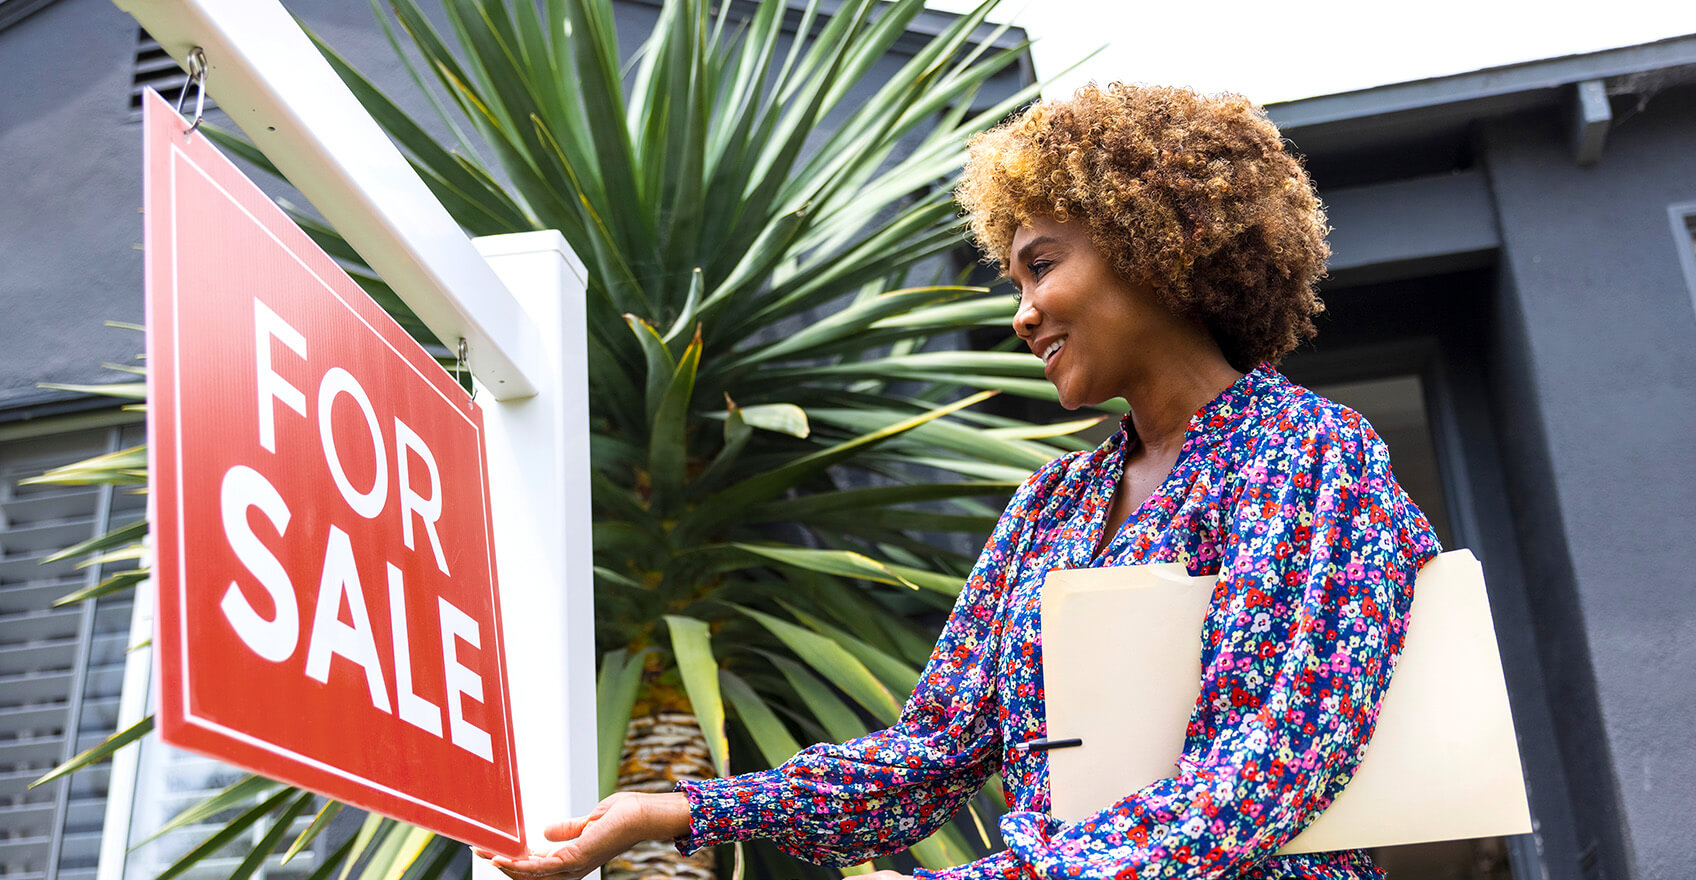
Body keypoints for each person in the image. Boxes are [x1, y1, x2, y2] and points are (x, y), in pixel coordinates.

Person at [478, 83, 1440, 880]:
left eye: (1042, 267)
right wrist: (679, 808)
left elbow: (1277, 760)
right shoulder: (1050, 507)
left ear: (1159, 246)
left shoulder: (1310, 453)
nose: (1022, 315)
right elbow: (928, 757)